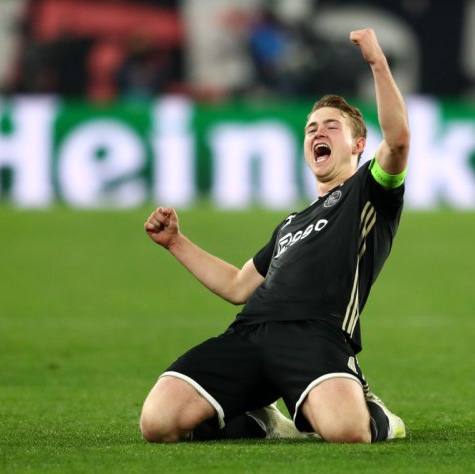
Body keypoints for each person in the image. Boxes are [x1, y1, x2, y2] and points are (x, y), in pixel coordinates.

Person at [140, 28, 410, 443]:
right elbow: (236, 286)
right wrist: (176, 242)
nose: (318, 133)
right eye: (311, 128)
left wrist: (377, 63)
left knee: (347, 432)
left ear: (358, 145)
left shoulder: (369, 193)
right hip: (249, 335)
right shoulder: (290, 225)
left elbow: (398, 140)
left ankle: (374, 411)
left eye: (331, 127)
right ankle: (261, 420)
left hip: (316, 335)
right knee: (158, 424)